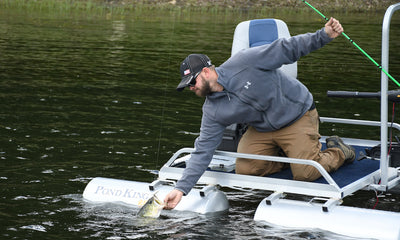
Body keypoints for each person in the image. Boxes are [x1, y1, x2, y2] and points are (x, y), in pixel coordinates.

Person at [164, 17, 355, 210]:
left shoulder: (245, 61)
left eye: (192, 82)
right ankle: (290, 154)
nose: (190, 88)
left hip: (296, 114)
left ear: (206, 72)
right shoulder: (212, 110)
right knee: (245, 170)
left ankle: (340, 150)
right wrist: (181, 189)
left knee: (305, 173)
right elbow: (203, 150)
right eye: (187, 85)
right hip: (262, 128)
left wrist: (324, 35)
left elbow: (288, 48)